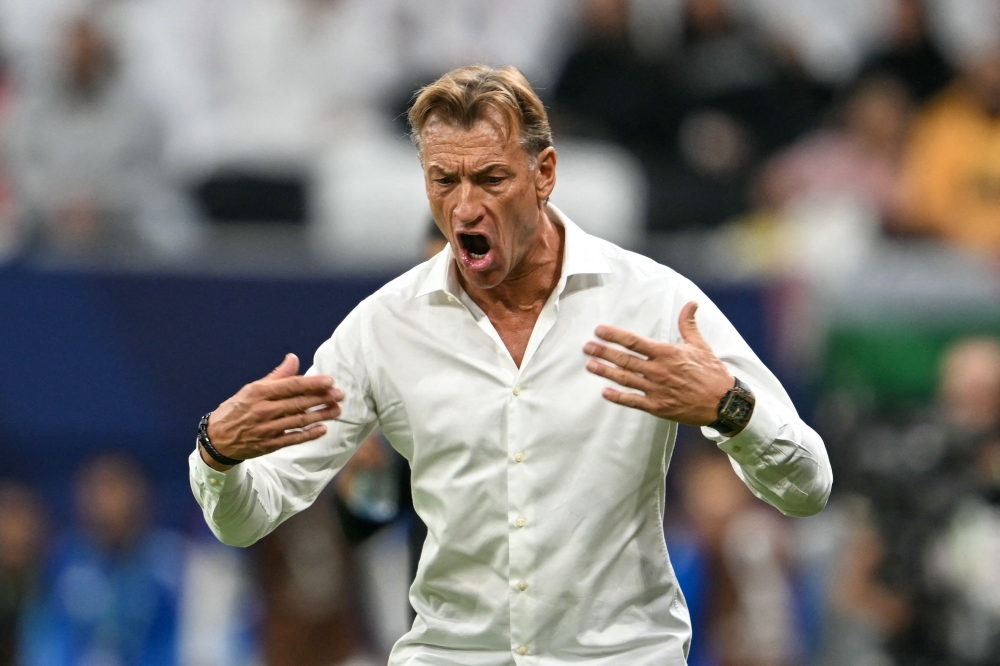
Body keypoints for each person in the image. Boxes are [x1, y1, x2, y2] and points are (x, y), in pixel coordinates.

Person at [189, 65, 832, 664]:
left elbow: (808, 489)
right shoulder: (382, 327)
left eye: (491, 179)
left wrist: (730, 409)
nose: (465, 207)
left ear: (544, 173)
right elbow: (248, 518)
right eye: (444, 180)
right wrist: (217, 454)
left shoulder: (655, 303)